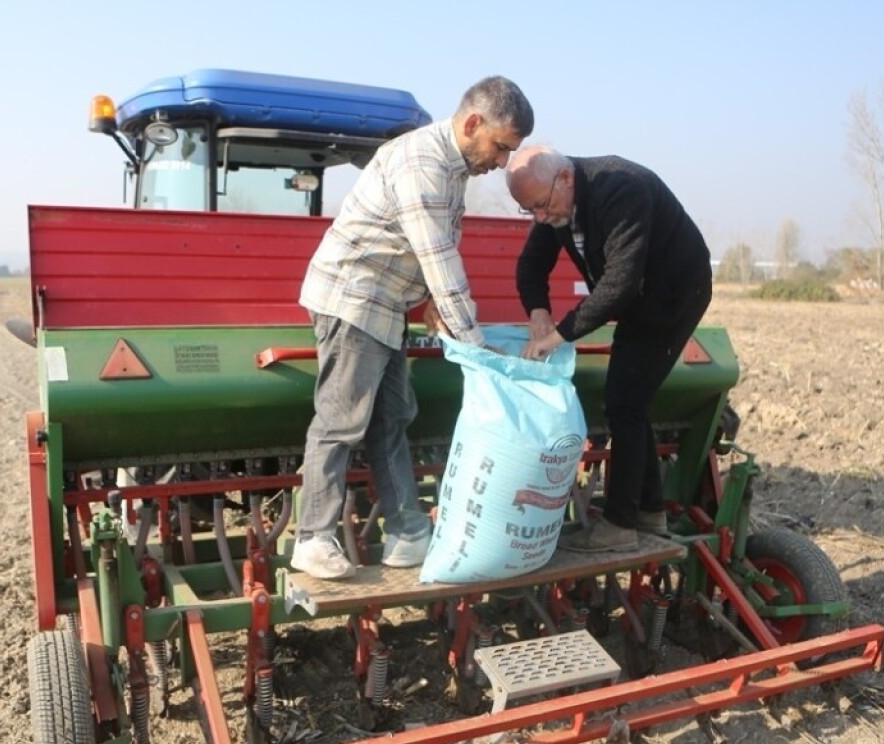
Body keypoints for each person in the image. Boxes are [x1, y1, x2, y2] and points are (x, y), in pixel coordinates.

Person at [291, 76, 535, 580]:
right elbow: (439, 256)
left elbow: (436, 243)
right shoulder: (422, 163)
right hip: (354, 298)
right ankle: (313, 539)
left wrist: (425, 300)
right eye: (501, 147)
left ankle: (408, 534)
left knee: (392, 416)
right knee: (341, 420)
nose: (502, 162)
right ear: (472, 124)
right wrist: (478, 352)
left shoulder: (454, 169)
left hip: (386, 306)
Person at [505, 145, 712, 552]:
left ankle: (620, 524)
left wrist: (559, 335)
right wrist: (538, 313)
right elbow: (530, 265)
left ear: (565, 178)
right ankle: (650, 511)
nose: (541, 218)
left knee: (624, 402)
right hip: (637, 297)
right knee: (629, 401)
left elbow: (618, 285)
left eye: (543, 206)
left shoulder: (621, 189)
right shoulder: (555, 200)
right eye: (530, 211)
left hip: (673, 295)